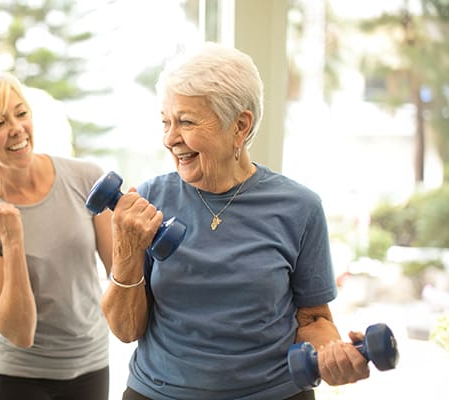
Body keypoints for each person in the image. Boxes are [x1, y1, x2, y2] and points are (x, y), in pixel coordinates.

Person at [100, 42, 371, 400]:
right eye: (166, 121)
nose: (170, 138)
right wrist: (127, 250)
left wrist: (333, 354)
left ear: (240, 127)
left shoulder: (298, 207)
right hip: (159, 393)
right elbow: (125, 330)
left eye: (186, 121)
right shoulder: (149, 201)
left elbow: (313, 320)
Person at [0, 68, 113, 400]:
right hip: (22, 375)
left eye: (20, 113)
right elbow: (19, 333)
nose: (16, 129)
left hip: (92, 363)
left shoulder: (86, 178)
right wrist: (12, 240)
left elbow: (120, 273)